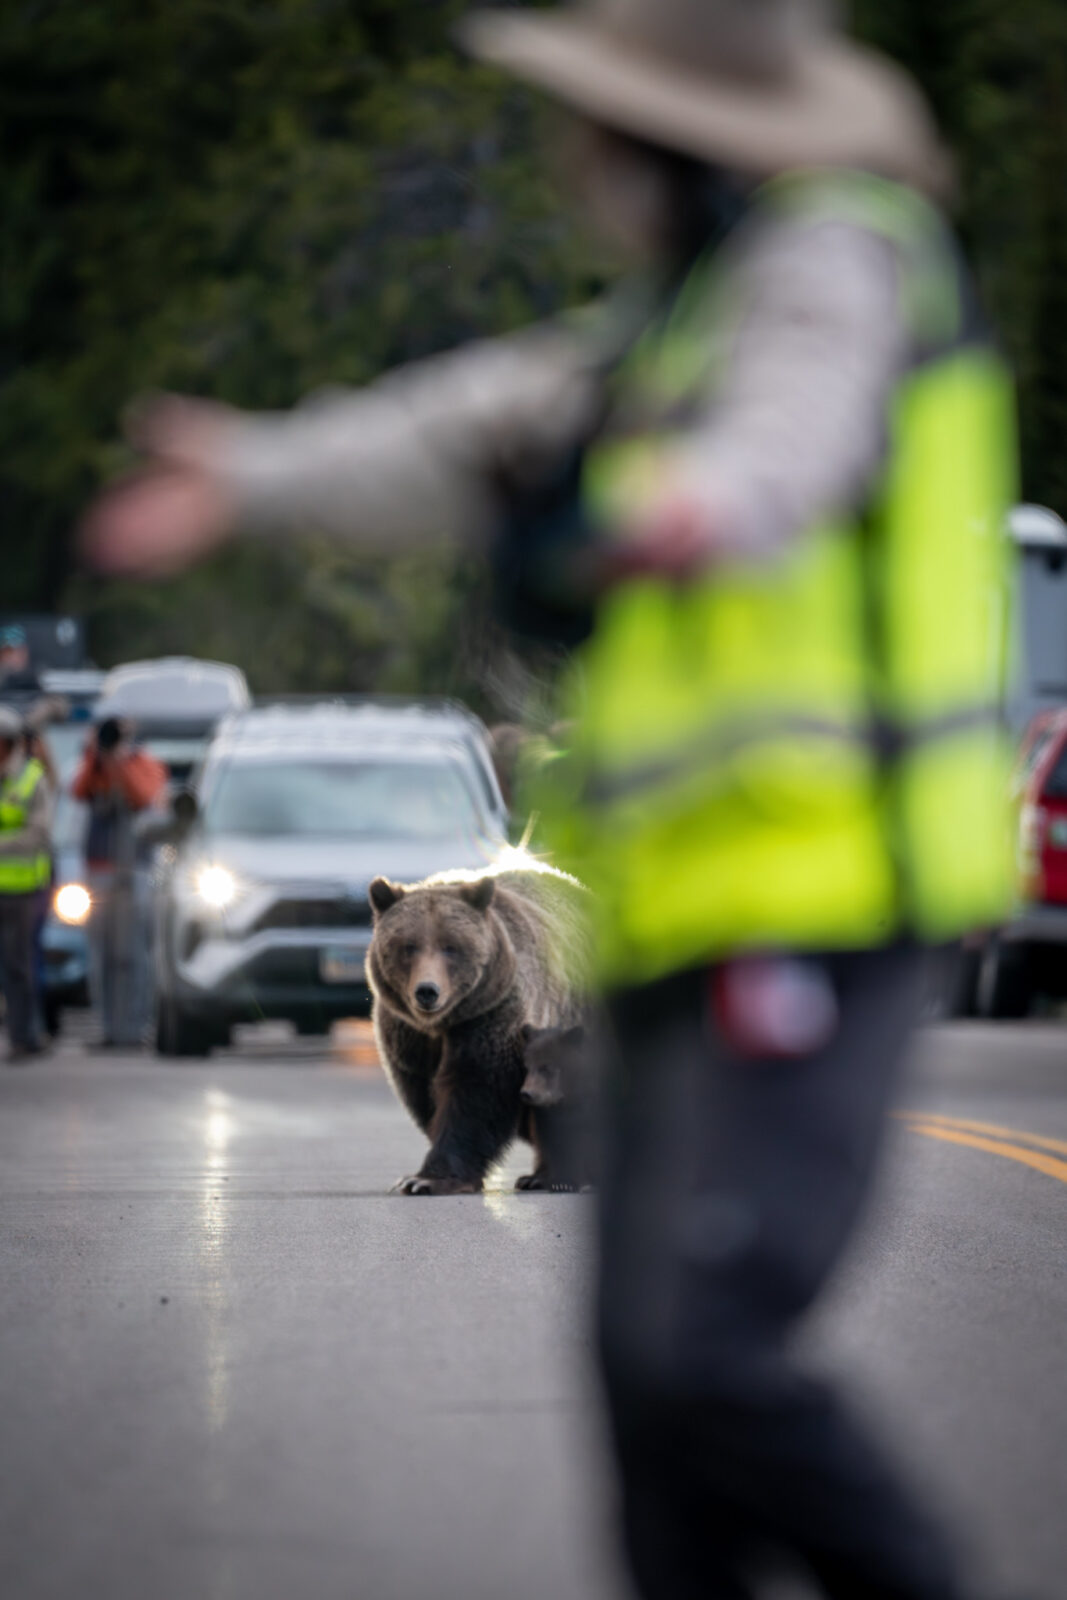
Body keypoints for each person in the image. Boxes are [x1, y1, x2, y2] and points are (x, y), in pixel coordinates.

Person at [82, 2, 1018, 1594]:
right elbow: (468, 421)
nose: (576, 155)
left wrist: (660, 513)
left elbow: (782, 448)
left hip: (826, 903)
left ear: (685, 142)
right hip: (681, 918)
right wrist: (258, 474)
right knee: (643, 1395)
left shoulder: (835, 269)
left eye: (605, 123)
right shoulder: (676, 318)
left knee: (705, 1352)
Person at [71, 717, 167, 1048]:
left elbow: (143, 796)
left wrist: (120, 760)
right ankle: (110, 1030)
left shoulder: (145, 763)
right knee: (103, 956)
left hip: (135, 873)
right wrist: (97, 755)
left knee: (133, 955)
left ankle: (136, 1028)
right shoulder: (94, 764)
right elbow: (78, 790)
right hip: (99, 873)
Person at [0, 704, 54, 1062]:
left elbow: (39, 833)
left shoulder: (33, 778)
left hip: (23, 890)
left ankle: (26, 1035)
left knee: (18, 966)